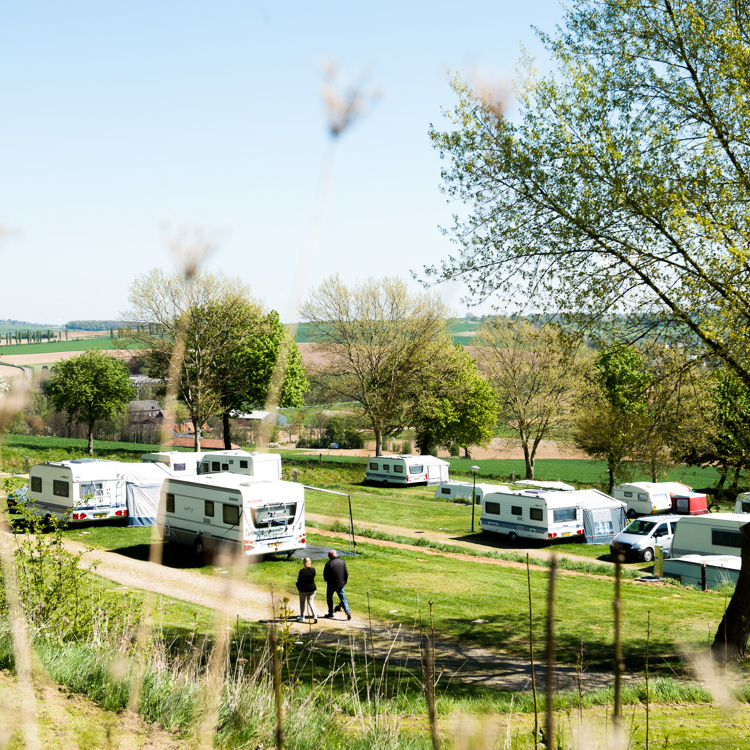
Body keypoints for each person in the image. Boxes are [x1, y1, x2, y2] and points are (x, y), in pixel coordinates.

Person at [322, 549, 351, 620]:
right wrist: (344, 582)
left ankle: (331, 613)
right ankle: (347, 611)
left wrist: (327, 581)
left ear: (331, 556)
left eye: (328, 556)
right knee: (343, 597)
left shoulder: (329, 564)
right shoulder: (342, 562)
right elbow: (346, 573)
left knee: (329, 598)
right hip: (341, 584)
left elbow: (325, 575)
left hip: (331, 585)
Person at [296, 556, 318, 623]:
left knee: (302, 602)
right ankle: (315, 616)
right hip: (312, 588)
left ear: (304, 563)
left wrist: (297, 585)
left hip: (303, 589)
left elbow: (299, 580)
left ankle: (302, 616)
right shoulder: (313, 570)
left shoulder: (302, 571)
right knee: (311, 602)